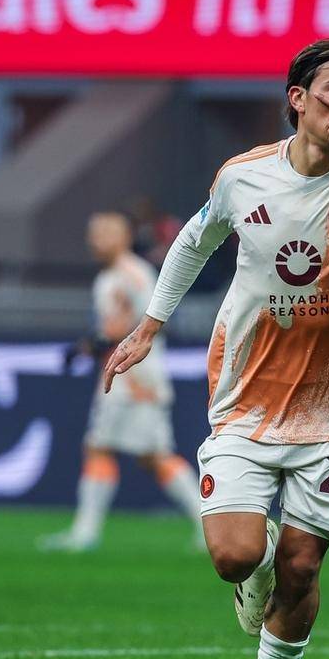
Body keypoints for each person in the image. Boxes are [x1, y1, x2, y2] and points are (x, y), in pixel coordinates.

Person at [102, 34, 329, 659]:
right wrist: (149, 326)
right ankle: (255, 575)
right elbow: (194, 241)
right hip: (246, 397)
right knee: (234, 556)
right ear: (298, 100)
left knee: (302, 567)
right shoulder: (243, 176)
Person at [38, 212, 202, 552]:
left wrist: (90, 345)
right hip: (127, 375)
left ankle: (85, 533)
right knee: (147, 455)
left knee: (112, 449)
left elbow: (142, 323)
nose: (96, 239)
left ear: (125, 236)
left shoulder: (131, 274)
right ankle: (205, 525)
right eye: (94, 232)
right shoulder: (112, 276)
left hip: (133, 377)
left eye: (106, 232)